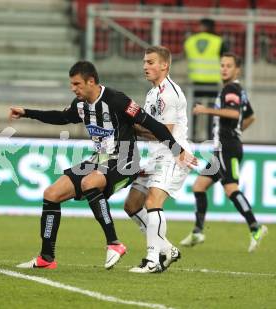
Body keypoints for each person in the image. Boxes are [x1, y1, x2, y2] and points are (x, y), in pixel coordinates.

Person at [10, 60, 196, 270]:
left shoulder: (117, 100)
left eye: (77, 84)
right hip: (99, 159)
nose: (73, 88)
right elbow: (61, 117)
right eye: (72, 84)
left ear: (91, 81)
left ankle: (114, 244)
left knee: (91, 182)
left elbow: (152, 124)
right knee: (51, 194)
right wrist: (26, 112)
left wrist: (177, 150)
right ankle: (46, 257)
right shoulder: (80, 105)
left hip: (125, 160)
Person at [180, 52, 268, 252]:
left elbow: (235, 113)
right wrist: (237, 130)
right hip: (224, 147)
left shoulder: (231, 88)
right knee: (199, 186)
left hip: (226, 148)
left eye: (229, 65)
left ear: (237, 69)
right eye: (222, 65)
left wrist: (207, 110)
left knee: (231, 188)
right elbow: (250, 116)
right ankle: (198, 231)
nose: (224, 69)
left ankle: (255, 227)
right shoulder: (239, 91)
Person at [123, 46, 192, 273]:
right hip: (155, 156)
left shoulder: (168, 94)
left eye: (151, 62)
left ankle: (153, 260)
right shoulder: (152, 92)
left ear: (165, 65)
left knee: (153, 202)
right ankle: (167, 249)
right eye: (144, 62)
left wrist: (131, 129)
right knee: (132, 205)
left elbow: (166, 132)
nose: (145, 66)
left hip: (174, 155)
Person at [184, 18, 228, 140]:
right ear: (213, 27)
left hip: (195, 81)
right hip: (212, 82)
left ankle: (192, 136)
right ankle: (211, 137)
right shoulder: (218, 41)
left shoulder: (190, 41)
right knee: (211, 111)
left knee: (194, 111)